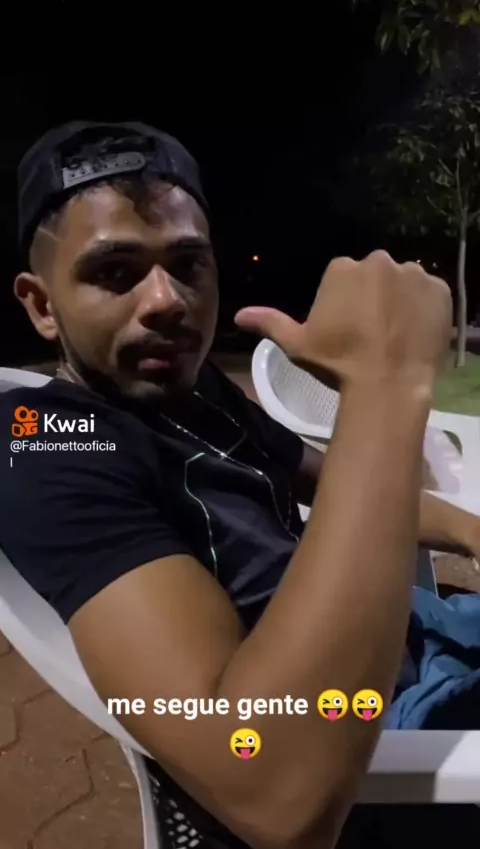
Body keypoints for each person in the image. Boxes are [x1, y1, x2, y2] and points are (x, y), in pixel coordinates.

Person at [0, 121, 479, 849]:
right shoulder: (50, 444)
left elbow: (340, 489)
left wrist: (470, 529)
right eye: (116, 272)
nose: (166, 299)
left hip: (411, 642)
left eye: (187, 264)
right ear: (42, 305)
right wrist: (385, 383)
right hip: (364, 738)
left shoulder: (198, 395)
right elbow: (275, 791)